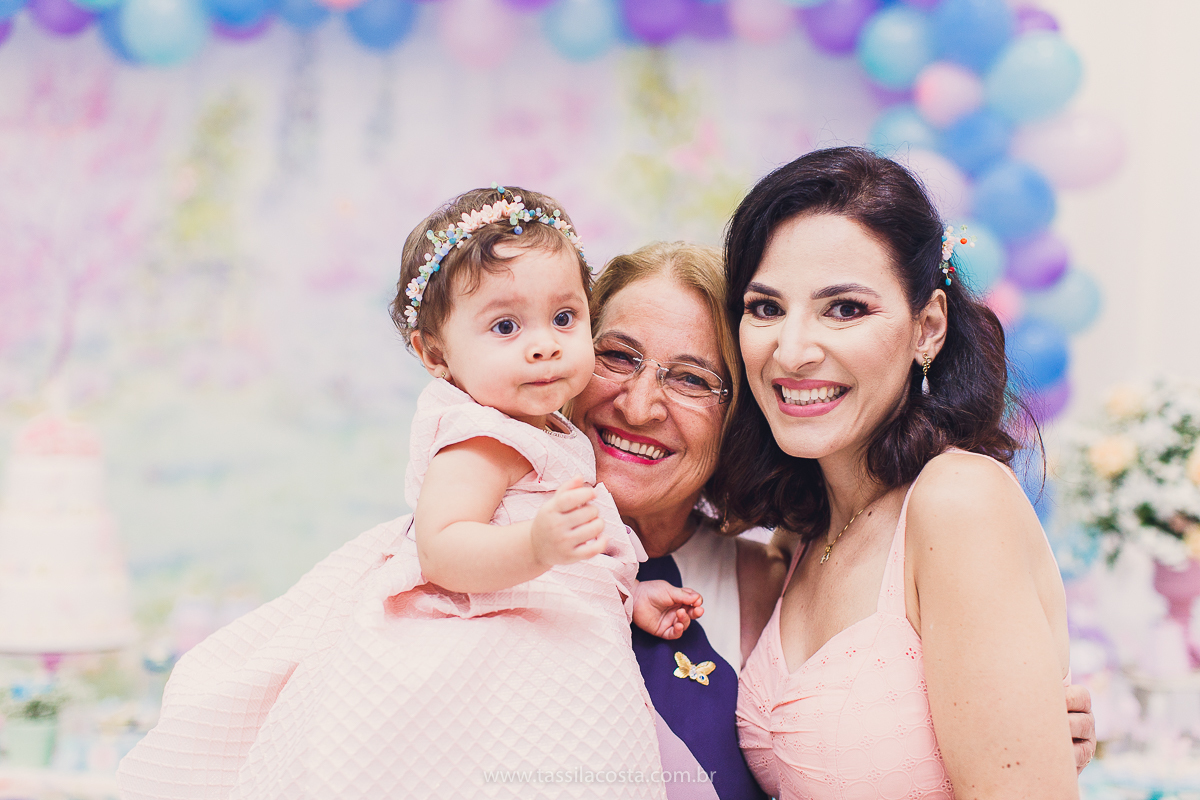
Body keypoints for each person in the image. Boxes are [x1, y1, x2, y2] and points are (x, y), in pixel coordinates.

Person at [118, 185, 703, 800]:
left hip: (565, 654)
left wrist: (628, 591)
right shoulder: (482, 440)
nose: (544, 342)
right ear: (436, 354)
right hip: (494, 655)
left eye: (564, 317)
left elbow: (568, 566)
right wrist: (535, 545)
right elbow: (444, 550)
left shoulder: (552, 432)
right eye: (506, 325)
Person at [574, 240, 1097, 800]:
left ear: (740, 413)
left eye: (693, 379)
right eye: (618, 356)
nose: (637, 406)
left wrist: (1016, 729)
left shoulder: (764, 583)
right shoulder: (480, 547)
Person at [723, 147, 1080, 798]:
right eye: (766, 308)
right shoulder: (804, 535)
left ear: (929, 328)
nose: (793, 350)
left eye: (846, 309)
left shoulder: (956, 500)